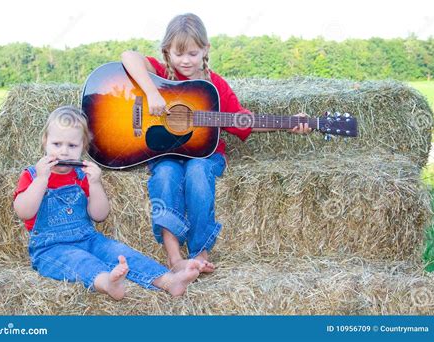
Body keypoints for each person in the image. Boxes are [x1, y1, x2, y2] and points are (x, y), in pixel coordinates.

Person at [121, 13, 311, 274]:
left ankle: (199, 251)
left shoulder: (215, 86)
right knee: (165, 175)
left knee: (198, 173)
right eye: (178, 54)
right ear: (167, 51)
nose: (185, 61)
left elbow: (243, 120)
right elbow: (128, 56)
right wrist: (152, 93)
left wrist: (289, 123)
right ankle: (174, 256)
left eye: (192, 53)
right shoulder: (162, 73)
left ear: (205, 50)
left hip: (205, 155)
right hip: (166, 153)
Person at [13, 105, 202, 300]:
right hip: (51, 248)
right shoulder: (32, 175)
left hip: (88, 239)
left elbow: (99, 215)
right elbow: (23, 212)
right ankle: (108, 283)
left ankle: (169, 281)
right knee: (81, 262)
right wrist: (41, 180)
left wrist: (95, 184)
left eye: (72, 146)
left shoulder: (82, 176)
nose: (64, 152)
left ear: (83, 147)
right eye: (56, 144)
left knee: (120, 252)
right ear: (45, 142)